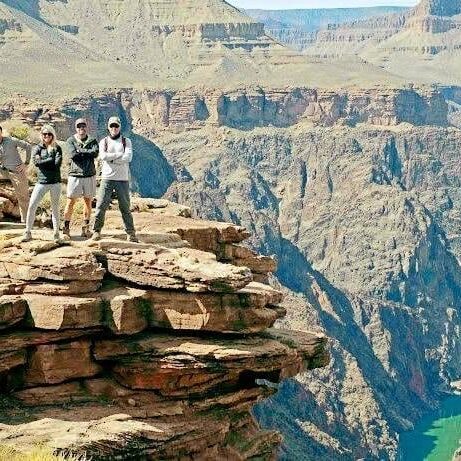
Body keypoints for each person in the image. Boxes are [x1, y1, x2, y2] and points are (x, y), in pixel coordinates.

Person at [92, 116, 138, 242]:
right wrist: (118, 156)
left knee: (125, 207)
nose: (114, 128)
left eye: (116, 126)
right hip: (107, 178)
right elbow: (102, 156)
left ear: (120, 127)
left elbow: (128, 158)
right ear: (108, 127)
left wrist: (111, 158)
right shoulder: (104, 142)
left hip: (122, 179)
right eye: (112, 126)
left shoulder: (126, 141)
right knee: (101, 205)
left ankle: (130, 233)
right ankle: (96, 231)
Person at [22, 125, 63, 243]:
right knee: (32, 205)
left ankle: (56, 234)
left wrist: (43, 161)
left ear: (53, 135)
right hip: (41, 182)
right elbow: (36, 163)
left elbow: (57, 164)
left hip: (55, 182)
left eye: (49, 134)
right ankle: (27, 232)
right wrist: (50, 158)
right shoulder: (37, 148)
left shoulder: (57, 148)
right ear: (42, 135)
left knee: (55, 208)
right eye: (45, 134)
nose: (47, 136)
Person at [63, 118, 98, 239]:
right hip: (75, 175)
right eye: (79, 126)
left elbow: (95, 153)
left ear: (86, 127)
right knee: (70, 201)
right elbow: (73, 155)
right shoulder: (70, 140)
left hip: (89, 174)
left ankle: (86, 228)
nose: (81, 128)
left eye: (83, 126)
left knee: (88, 201)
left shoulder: (92, 140)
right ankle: (66, 228)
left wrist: (80, 151)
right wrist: (86, 152)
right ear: (75, 128)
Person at [0, 125, 32, 222]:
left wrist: (25, 163)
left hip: (17, 172)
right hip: (3, 171)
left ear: (1, 132)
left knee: (23, 197)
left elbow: (28, 146)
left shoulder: (10, 140)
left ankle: (26, 222)